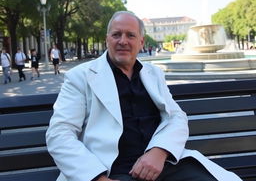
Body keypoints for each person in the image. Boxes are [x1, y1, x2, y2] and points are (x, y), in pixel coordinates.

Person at [46, 11, 241, 181]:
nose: (123, 41)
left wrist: (159, 151)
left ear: (141, 42)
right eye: (116, 34)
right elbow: (59, 134)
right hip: (111, 170)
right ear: (107, 39)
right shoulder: (80, 76)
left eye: (130, 35)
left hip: (163, 165)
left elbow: (176, 117)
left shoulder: (154, 74)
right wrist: (96, 177)